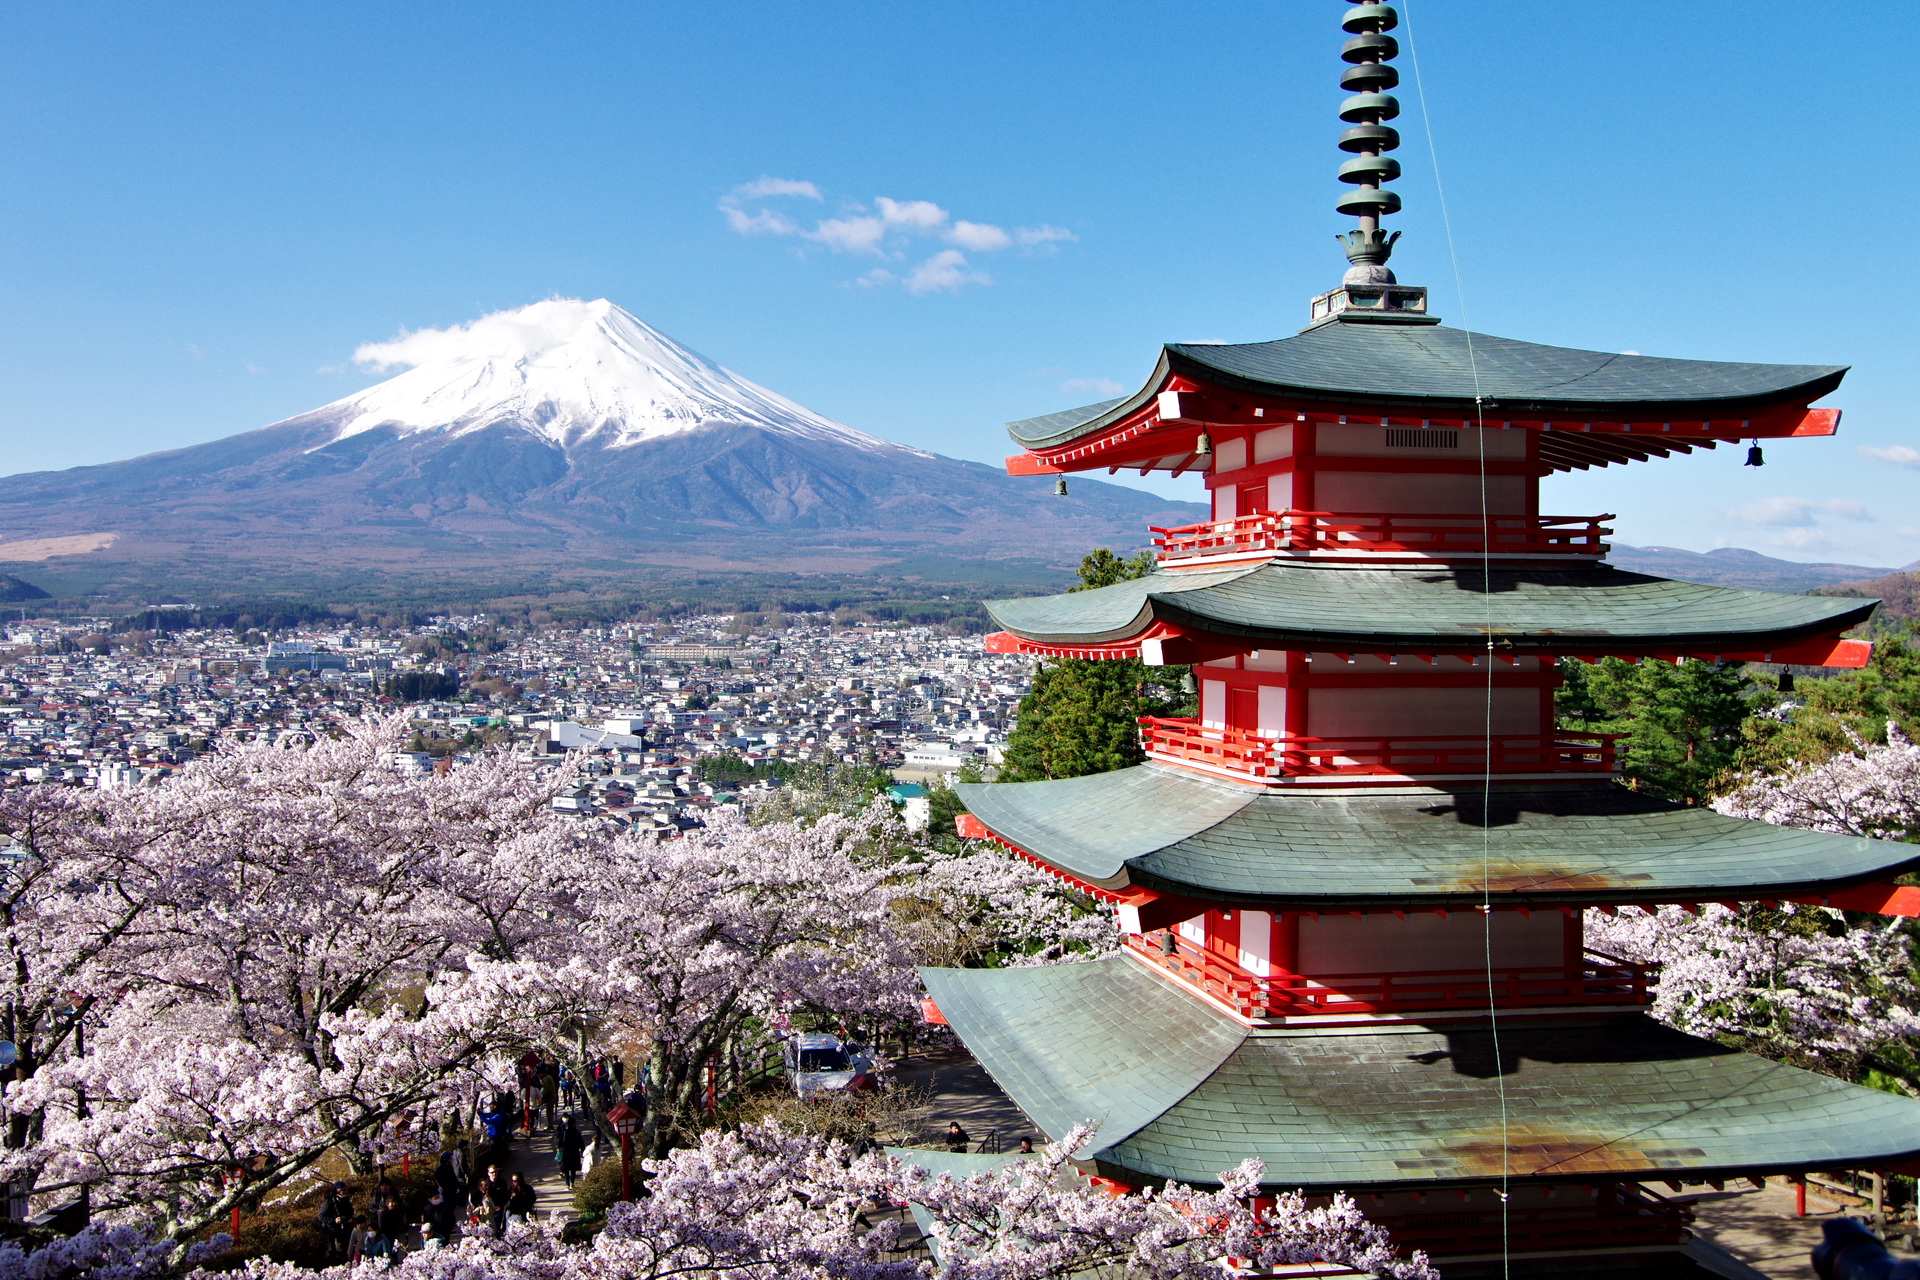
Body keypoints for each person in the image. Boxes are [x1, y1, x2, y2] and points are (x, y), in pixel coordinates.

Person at [318, 1183, 354, 1259]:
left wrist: (346, 1219)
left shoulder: (346, 1200)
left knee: (342, 1249)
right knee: (331, 1250)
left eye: (345, 1189)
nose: (344, 1192)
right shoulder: (329, 1202)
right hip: (331, 1229)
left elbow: (350, 1212)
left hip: (342, 1229)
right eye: (342, 1190)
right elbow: (321, 1217)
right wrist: (334, 1220)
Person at [555, 1117, 584, 1191]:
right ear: (574, 1124)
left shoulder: (565, 1132)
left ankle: (567, 1185)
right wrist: (583, 1152)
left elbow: (560, 1142)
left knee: (566, 1170)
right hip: (575, 1153)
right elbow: (581, 1144)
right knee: (573, 1170)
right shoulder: (577, 1133)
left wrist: (559, 1147)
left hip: (566, 1153)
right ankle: (572, 1184)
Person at [486, 1169, 511, 1237]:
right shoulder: (487, 1184)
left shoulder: (502, 1182)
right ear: (488, 1173)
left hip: (499, 1207)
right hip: (489, 1209)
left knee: (497, 1223)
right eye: (492, 1172)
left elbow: (506, 1195)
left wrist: (501, 1206)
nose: (494, 1174)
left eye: (495, 1172)